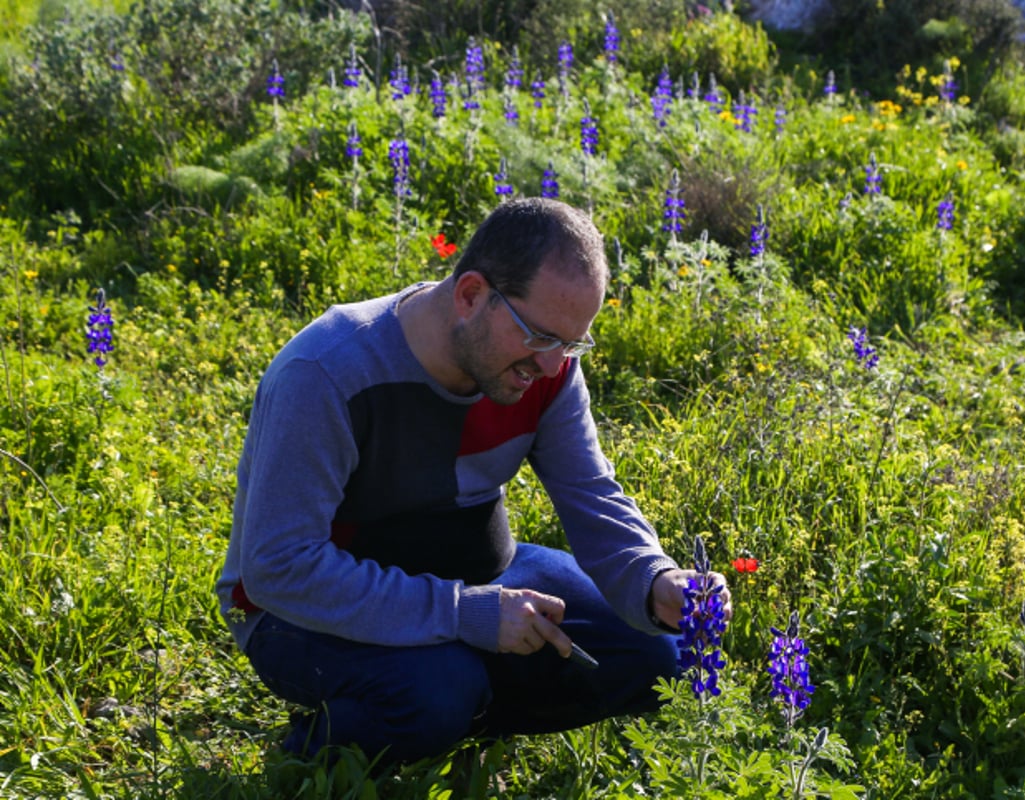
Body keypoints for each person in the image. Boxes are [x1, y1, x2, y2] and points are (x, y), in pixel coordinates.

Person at [216, 197, 731, 765]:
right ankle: (318, 750)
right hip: (301, 613)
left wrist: (652, 577)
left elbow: (590, 492)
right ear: (470, 295)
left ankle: (458, 701)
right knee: (438, 693)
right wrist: (466, 615)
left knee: (660, 649)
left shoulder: (541, 365)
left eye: (572, 343)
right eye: (540, 336)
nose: (555, 364)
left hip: (477, 574)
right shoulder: (328, 372)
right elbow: (277, 568)